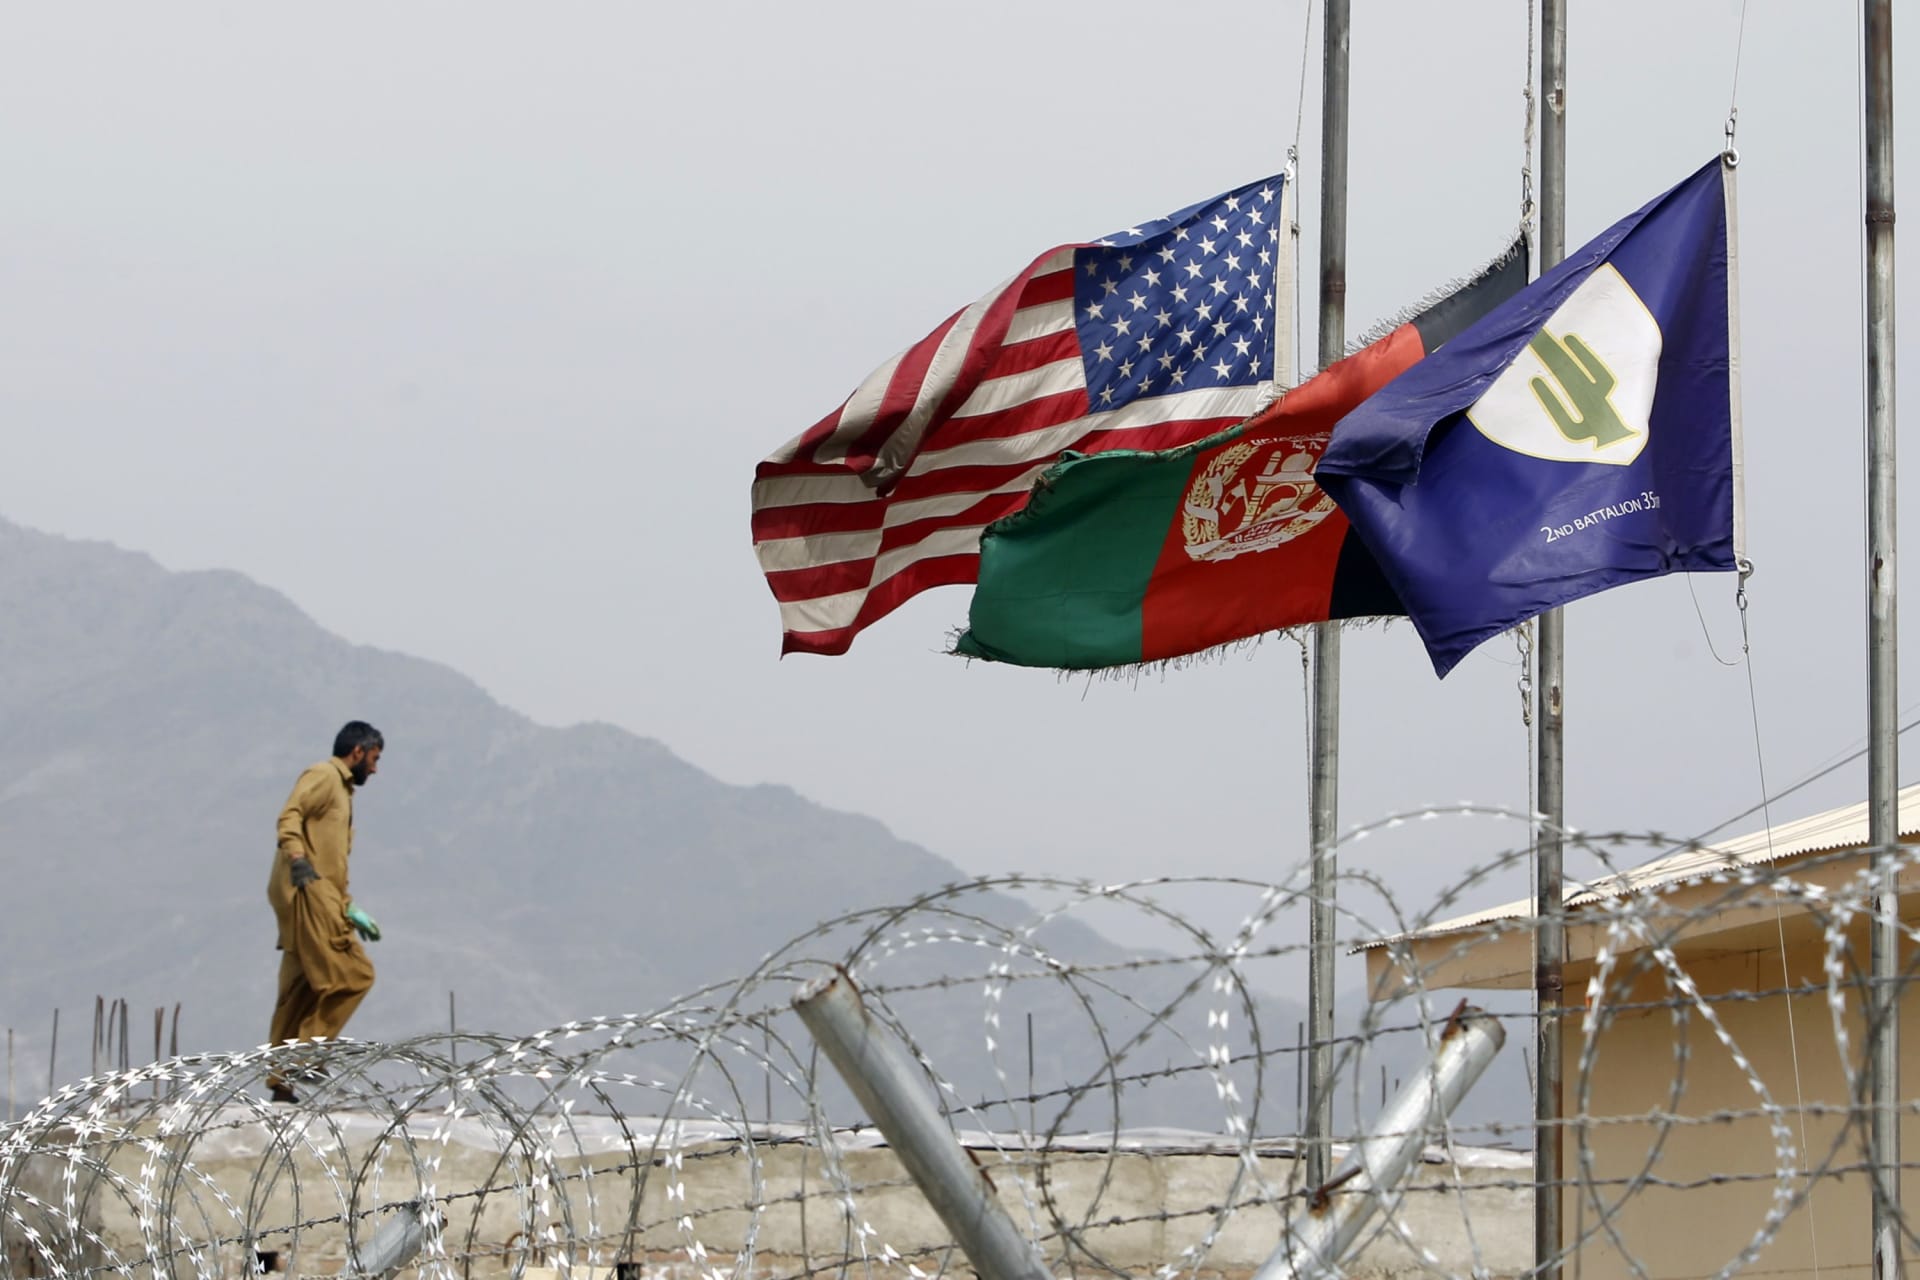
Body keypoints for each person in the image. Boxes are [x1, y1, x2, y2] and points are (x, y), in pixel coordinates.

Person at [265, 720, 385, 1102]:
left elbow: (333, 858)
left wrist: (348, 907)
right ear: (358, 752)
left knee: (298, 992)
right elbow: (290, 815)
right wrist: (298, 859)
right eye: (374, 759)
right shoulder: (324, 776)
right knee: (354, 976)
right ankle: (307, 1055)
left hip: (323, 893)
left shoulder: (343, 793)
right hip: (309, 891)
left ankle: (279, 1079)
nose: (375, 769)